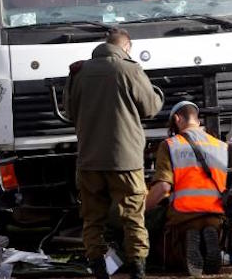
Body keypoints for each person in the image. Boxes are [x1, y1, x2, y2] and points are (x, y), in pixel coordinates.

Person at [64, 28, 164, 279]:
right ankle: (138, 271)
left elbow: (69, 111)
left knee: (92, 219)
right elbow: (150, 108)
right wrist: (159, 95)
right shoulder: (130, 69)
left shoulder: (79, 72)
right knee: (133, 217)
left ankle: (99, 270)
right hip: (126, 161)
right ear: (126, 47)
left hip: (89, 160)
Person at [146, 101, 227, 277]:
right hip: (215, 216)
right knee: (210, 226)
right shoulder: (221, 146)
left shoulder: (170, 145)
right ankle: (210, 237)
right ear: (197, 121)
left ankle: (188, 240)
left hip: (183, 217)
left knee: (165, 235)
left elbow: (163, 187)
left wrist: (141, 210)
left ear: (176, 119)